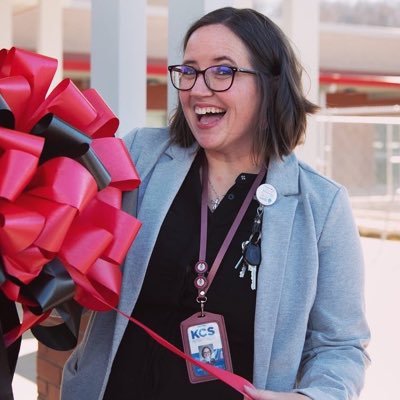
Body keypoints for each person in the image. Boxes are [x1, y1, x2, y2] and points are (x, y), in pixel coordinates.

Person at [60, 7, 370, 400]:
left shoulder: (321, 207)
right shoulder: (139, 157)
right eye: (188, 71)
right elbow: (65, 231)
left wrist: (312, 397)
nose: (197, 89)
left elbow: (340, 345)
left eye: (222, 71)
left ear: (270, 84)